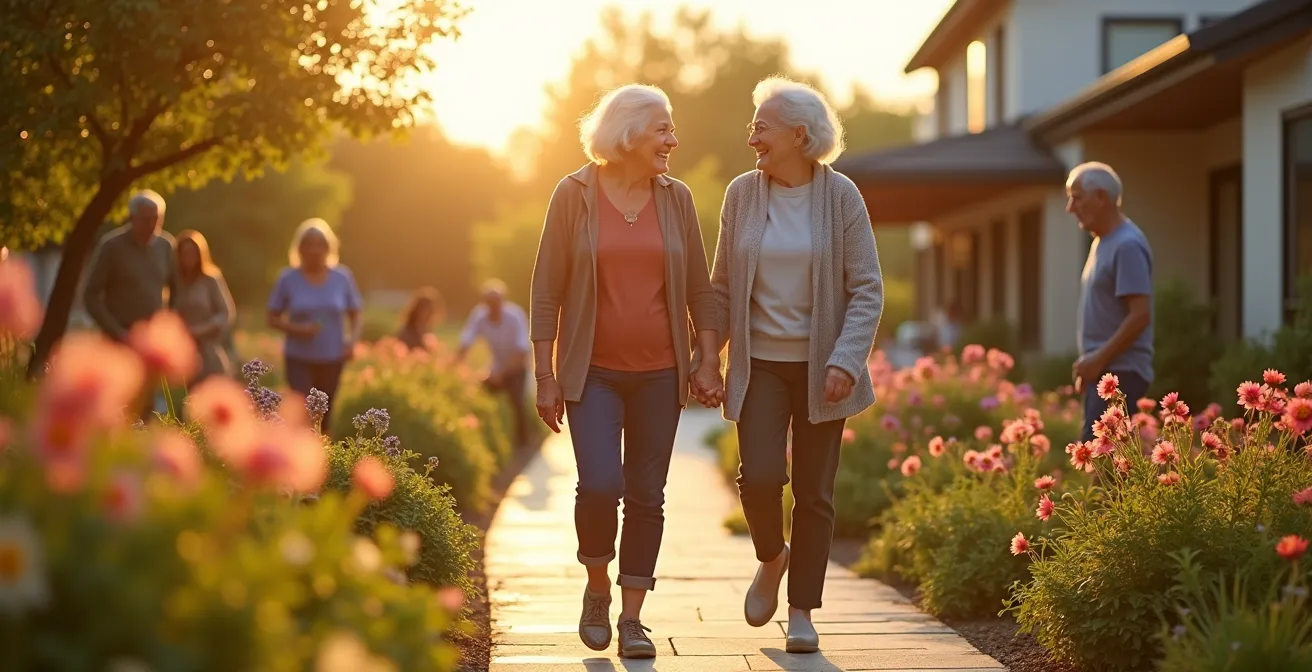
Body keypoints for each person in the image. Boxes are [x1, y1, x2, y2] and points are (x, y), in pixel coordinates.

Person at [529, 84, 720, 659]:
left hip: (661, 372)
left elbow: (699, 290)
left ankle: (632, 617)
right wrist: (545, 373)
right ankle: (595, 586)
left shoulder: (676, 198)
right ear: (630, 133)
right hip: (593, 374)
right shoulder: (574, 194)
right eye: (663, 129)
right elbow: (545, 289)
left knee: (646, 496)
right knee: (599, 486)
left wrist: (709, 358)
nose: (672, 139)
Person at [695, 76, 883, 654]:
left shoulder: (842, 196)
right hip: (763, 366)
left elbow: (867, 288)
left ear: (800, 136)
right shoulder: (742, 195)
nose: (752, 134)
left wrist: (847, 360)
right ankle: (772, 558)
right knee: (759, 478)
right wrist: (708, 358)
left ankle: (802, 610)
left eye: (762, 125)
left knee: (814, 492)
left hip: (823, 367)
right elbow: (722, 288)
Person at [1067, 162, 1154, 441]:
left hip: (1120, 374)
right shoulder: (1102, 242)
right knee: (1104, 467)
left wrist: (1098, 359)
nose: (1071, 207)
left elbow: (1140, 315)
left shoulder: (1127, 245)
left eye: (1077, 197)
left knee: (1103, 466)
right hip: (1105, 371)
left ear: (1101, 197)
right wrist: (1092, 363)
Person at [81, 189, 179, 420]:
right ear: (132, 217)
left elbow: (176, 288)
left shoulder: (166, 246)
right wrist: (116, 330)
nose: (152, 225)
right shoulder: (111, 246)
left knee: (146, 403)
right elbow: (90, 294)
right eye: (146, 219)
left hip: (150, 340)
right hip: (118, 336)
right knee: (116, 401)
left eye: (157, 219)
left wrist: (167, 325)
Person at [266, 218, 363, 432]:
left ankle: (323, 459)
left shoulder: (342, 277)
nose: (314, 249)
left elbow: (356, 314)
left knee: (324, 416)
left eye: (320, 244)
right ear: (300, 248)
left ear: (329, 248)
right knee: (302, 412)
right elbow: (271, 317)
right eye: (308, 244)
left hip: (332, 357)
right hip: (299, 358)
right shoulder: (288, 278)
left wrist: (351, 342)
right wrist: (297, 330)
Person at [454, 280, 530, 447]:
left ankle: (522, 441)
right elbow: (466, 342)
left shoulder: (515, 316)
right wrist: (454, 365)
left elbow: (522, 351)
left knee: (517, 402)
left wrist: (501, 373)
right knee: (477, 396)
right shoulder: (479, 316)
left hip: (515, 368)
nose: (493, 307)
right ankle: (482, 436)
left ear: (503, 301)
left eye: (496, 303)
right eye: (489, 303)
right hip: (496, 368)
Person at [173, 230, 236, 382]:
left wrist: (201, 329)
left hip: (208, 350)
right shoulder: (174, 281)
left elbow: (226, 313)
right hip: (181, 351)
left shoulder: (210, 279)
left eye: (193, 253)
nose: (189, 257)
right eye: (185, 253)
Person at [395, 286, 444, 352]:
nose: (427, 315)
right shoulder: (406, 332)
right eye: (425, 310)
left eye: (430, 311)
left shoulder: (428, 332)